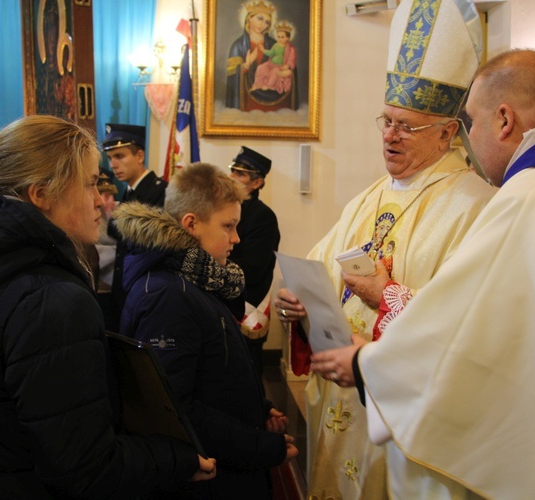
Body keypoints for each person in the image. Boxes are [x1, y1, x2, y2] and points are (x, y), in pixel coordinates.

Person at [310, 49, 535, 498]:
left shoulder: (530, 197)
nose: (468, 143)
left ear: (504, 120)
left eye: (469, 124)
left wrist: (368, 364)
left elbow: (476, 341)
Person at [0, 115, 215, 497]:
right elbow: (83, 466)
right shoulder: (52, 301)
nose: (100, 202)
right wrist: (177, 459)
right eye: (89, 185)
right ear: (42, 194)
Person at [274, 0, 497, 497]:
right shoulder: (370, 196)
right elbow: (320, 269)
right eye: (387, 121)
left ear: (447, 132)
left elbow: (474, 329)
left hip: (400, 414)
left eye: (408, 126)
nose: (391, 137)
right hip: (343, 395)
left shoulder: (478, 209)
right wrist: (298, 303)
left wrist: (388, 296)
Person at [113, 162, 297, 499]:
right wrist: (261, 446)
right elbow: (177, 410)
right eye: (228, 226)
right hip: (211, 479)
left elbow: (214, 369)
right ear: (191, 224)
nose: (236, 238)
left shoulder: (195, 277)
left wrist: (258, 408)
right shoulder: (168, 296)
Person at [102, 122, 167, 331]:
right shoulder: (130, 192)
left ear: (139, 156)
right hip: (126, 287)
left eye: (119, 156)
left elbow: (147, 245)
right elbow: (118, 236)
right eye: (110, 158)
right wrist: (110, 215)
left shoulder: (159, 192)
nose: (113, 165)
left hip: (146, 290)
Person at [227, 146, 281, 381]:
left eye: (240, 174)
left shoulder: (263, 217)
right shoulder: (227, 209)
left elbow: (253, 268)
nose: (232, 178)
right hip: (225, 302)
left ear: (257, 183)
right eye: (232, 171)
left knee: (248, 375)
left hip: (246, 303)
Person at [251, 21, 296, 95]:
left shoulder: (291, 49)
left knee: (275, 71)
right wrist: (263, 50)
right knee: (261, 67)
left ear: (288, 38)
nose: (280, 39)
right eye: (278, 37)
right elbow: (271, 53)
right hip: (271, 63)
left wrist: (287, 65)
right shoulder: (276, 45)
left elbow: (291, 59)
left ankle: (268, 86)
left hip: (280, 66)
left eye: (282, 37)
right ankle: (257, 84)